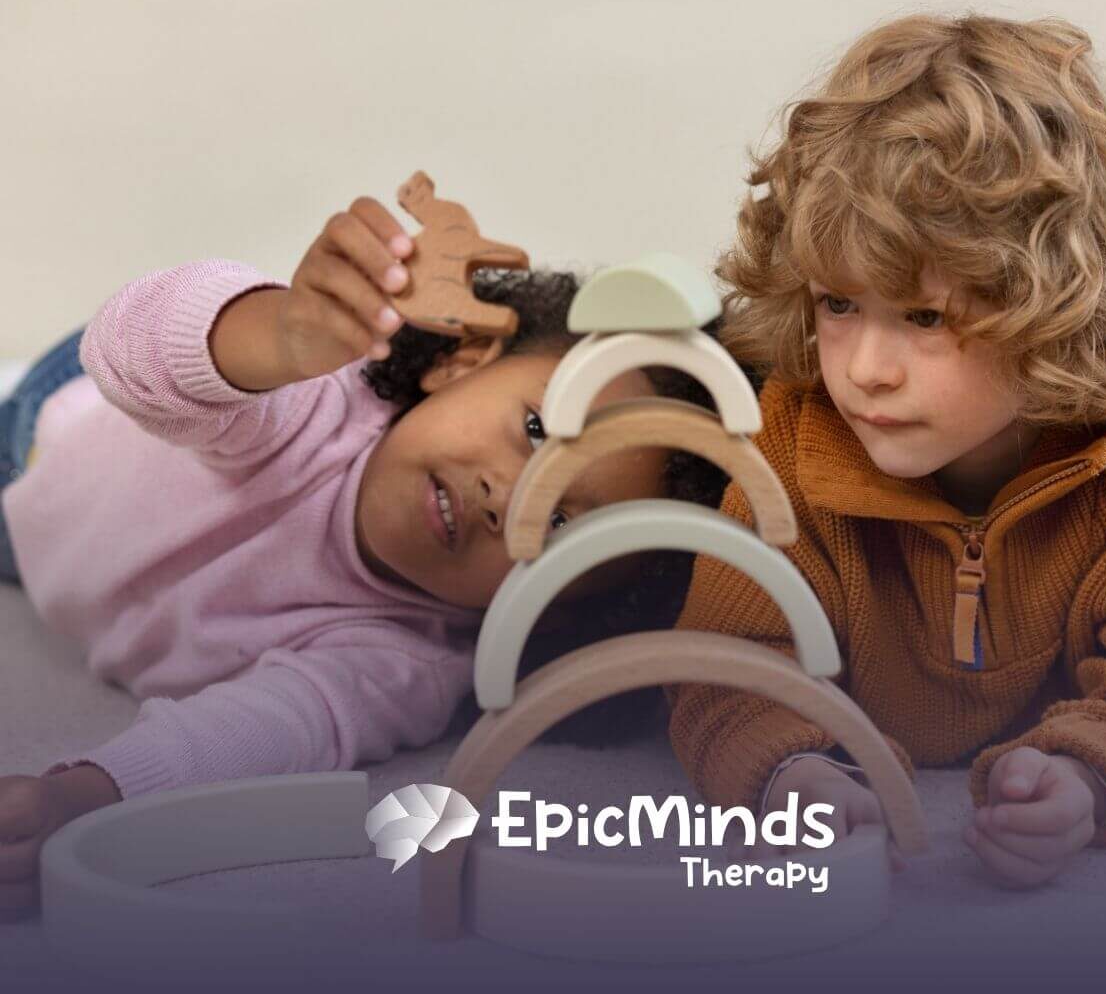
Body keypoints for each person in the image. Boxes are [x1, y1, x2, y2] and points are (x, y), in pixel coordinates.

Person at [0, 196, 730, 916]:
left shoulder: (403, 663)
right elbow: (130, 345)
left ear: (553, 610)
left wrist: (84, 793)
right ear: (462, 361)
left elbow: (261, 733)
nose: (507, 498)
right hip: (54, 426)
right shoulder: (311, 400)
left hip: (37, 572)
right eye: (537, 429)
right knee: (188, 355)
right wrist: (282, 335)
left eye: (564, 524)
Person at [665, 12, 1106, 889]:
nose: (865, 372)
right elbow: (723, 667)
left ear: (1062, 299)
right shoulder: (792, 434)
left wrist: (1085, 779)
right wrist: (794, 771)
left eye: (924, 317)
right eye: (839, 306)